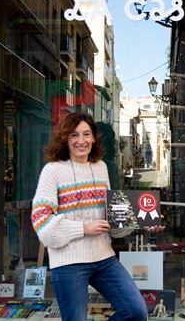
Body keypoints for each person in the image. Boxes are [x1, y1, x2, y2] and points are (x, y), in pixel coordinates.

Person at [31, 112, 164, 321]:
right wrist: (84, 228)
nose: (81, 141)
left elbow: (111, 219)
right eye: (74, 135)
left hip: (103, 257)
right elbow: (43, 226)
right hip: (68, 262)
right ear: (65, 138)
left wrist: (142, 222)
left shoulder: (101, 168)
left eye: (86, 134)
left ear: (94, 138)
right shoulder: (52, 171)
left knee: (136, 312)